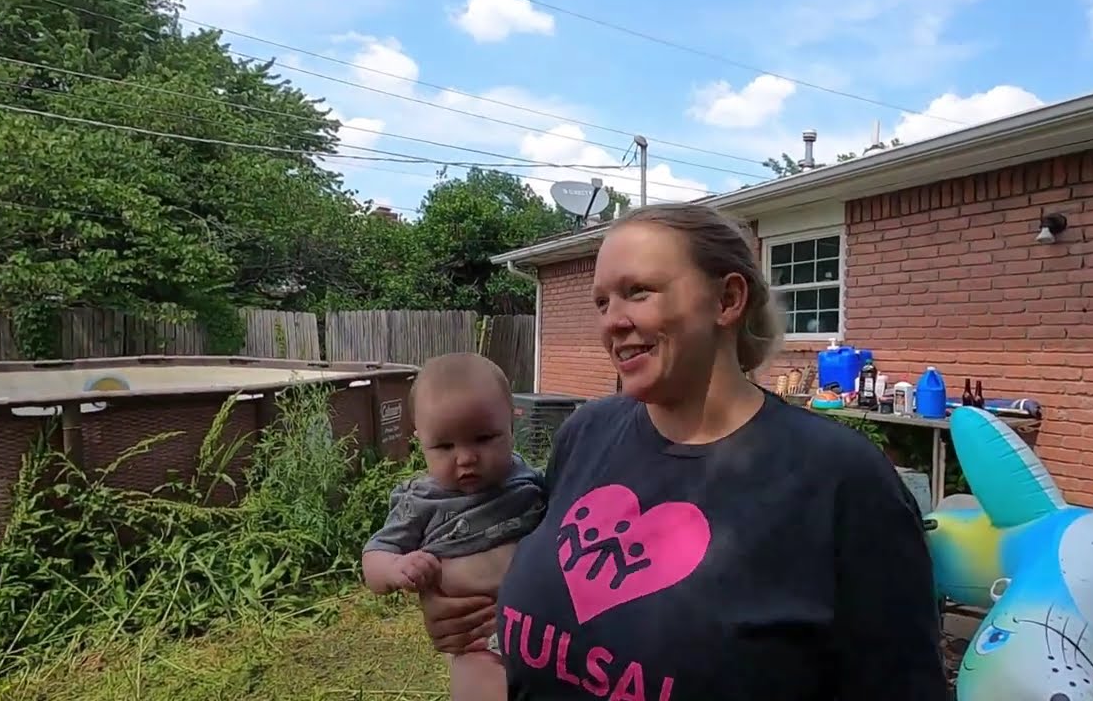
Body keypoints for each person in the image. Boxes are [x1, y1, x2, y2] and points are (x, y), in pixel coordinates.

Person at [419, 204, 947, 700]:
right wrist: (462, 607)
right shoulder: (589, 432)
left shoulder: (842, 481)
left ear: (727, 300)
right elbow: (531, 579)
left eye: (638, 292)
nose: (613, 321)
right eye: (603, 302)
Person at [361, 352, 546, 701]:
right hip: (476, 641)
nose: (465, 458)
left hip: (544, 629)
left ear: (511, 424)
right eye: (445, 446)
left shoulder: (529, 479)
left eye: (484, 438)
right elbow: (374, 556)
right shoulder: (420, 501)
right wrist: (397, 567)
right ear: (419, 441)